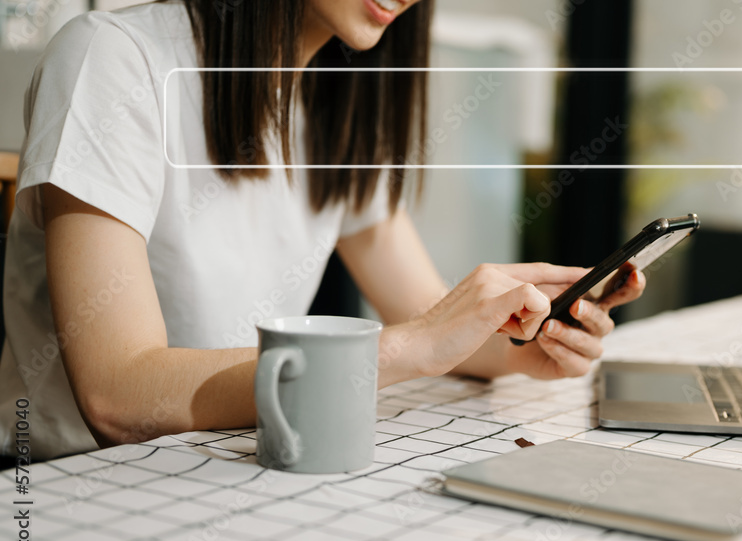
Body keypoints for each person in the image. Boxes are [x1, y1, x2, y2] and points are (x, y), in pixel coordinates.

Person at [0, 0, 645, 463]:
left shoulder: (340, 107)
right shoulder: (114, 58)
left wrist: (526, 344)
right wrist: (406, 345)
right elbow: (117, 393)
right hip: (62, 486)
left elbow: (429, 323)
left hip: (230, 469)